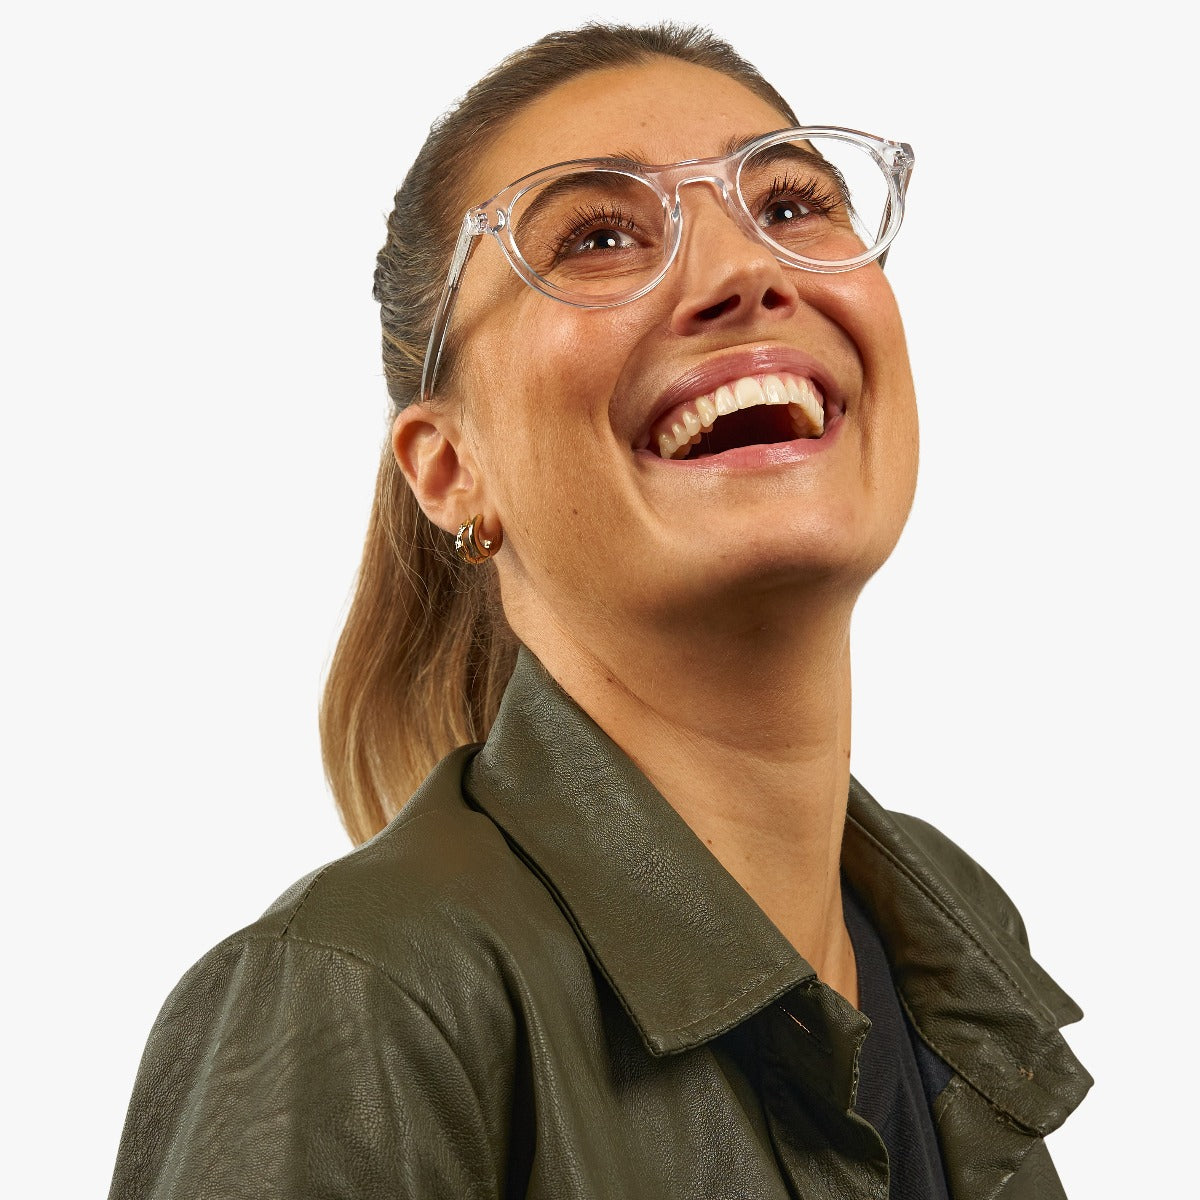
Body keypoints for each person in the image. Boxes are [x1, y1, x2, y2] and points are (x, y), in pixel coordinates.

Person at [109, 22, 1091, 1199]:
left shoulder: (949, 953)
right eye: (599, 237)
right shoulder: (360, 995)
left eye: (789, 205)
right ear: (449, 471)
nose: (747, 271)